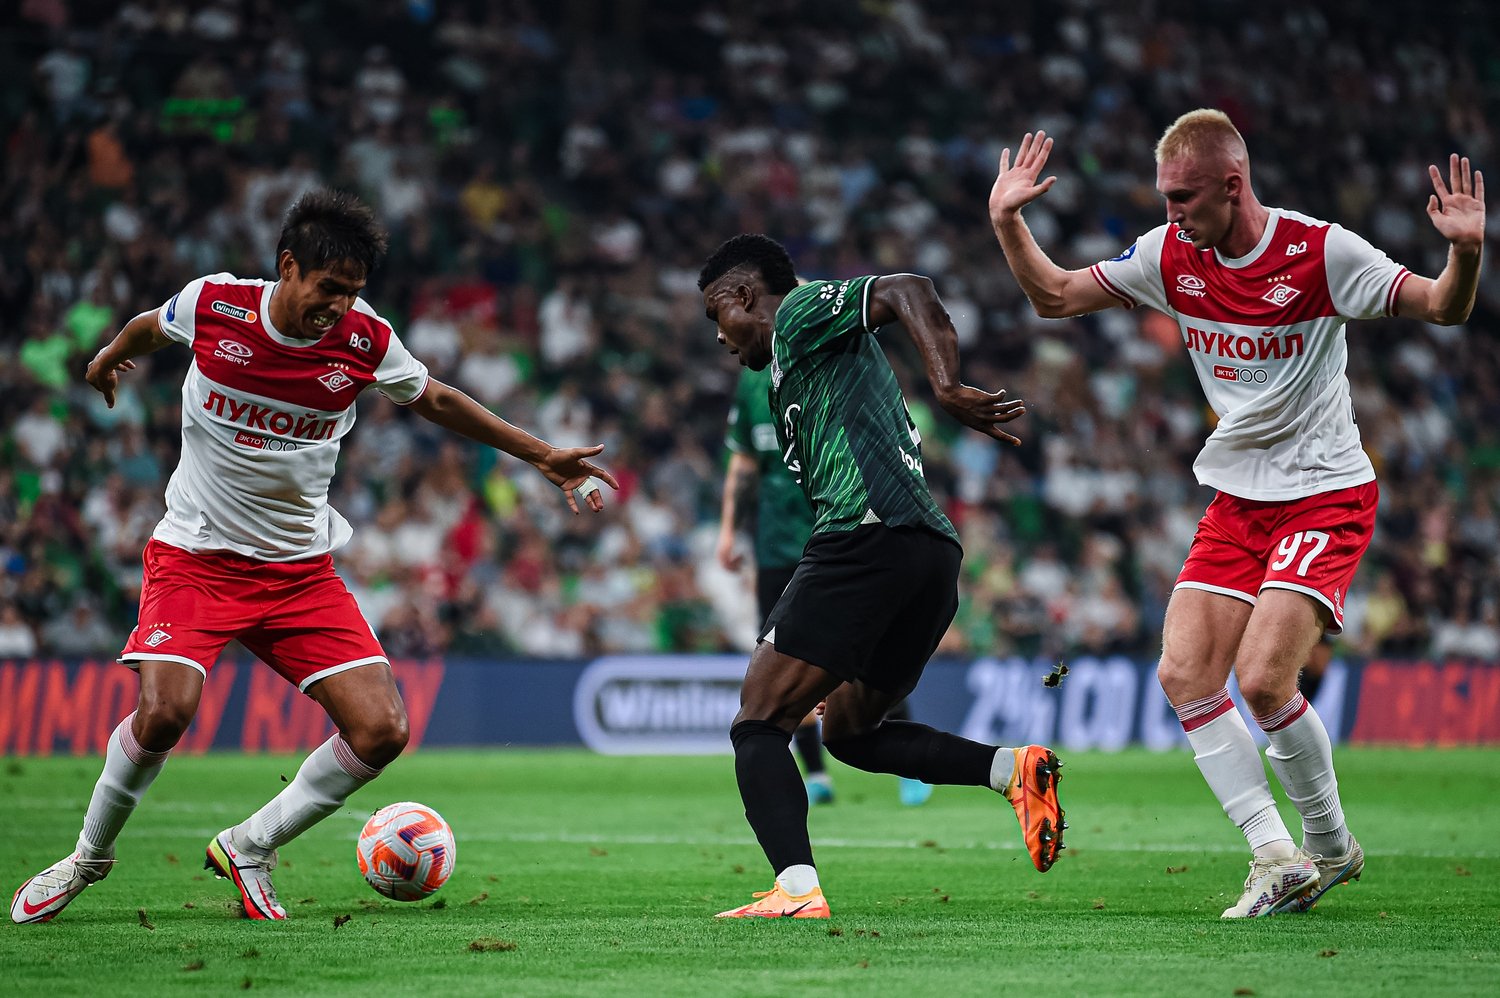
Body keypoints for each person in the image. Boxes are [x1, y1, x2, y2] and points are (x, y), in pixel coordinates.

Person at [11, 189, 618, 924]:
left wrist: (540, 454)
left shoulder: (366, 340)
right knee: (166, 711)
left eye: (353, 292)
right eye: (329, 288)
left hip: (299, 572)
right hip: (197, 557)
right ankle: (87, 857)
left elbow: (435, 398)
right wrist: (110, 356)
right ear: (288, 266)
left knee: (382, 730)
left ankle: (250, 845)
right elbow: (150, 326)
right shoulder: (215, 306)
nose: (339, 306)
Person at [988, 110, 1484, 917]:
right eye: (1165, 196)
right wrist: (1008, 221)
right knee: (1184, 673)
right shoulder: (1169, 255)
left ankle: (1330, 845)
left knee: (1261, 680)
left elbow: (1442, 308)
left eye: (1184, 197)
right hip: (1238, 499)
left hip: (1324, 491)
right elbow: (1054, 295)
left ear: (1232, 185)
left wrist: (1463, 254)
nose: (1172, 212)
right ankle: (1276, 855)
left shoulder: (1322, 252)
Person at [699, 234, 1064, 919]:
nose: (718, 336)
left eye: (716, 314)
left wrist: (946, 386)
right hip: (928, 554)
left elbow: (907, 288)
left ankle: (796, 891)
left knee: (759, 719)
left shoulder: (799, 312)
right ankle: (1010, 769)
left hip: (866, 536)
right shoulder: (789, 372)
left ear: (744, 296)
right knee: (851, 732)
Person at [716, 365, 933, 807]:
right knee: (779, 659)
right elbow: (745, 461)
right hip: (777, 549)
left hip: (840, 539)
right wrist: (728, 530)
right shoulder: (752, 384)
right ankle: (816, 773)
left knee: (869, 654)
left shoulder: (825, 364)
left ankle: (907, 765)